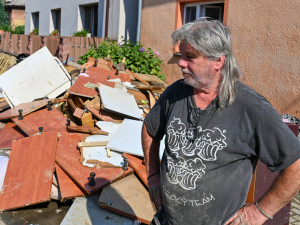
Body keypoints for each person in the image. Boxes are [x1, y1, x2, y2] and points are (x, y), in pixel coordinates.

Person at [142, 19, 300, 225]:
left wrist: (260, 211)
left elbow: (295, 165)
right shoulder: (175, 92)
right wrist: (153, 174)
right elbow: (150, 128)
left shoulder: (252, 108)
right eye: (181, 55)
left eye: (190, 57)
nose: (181, 62)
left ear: (218, 61)